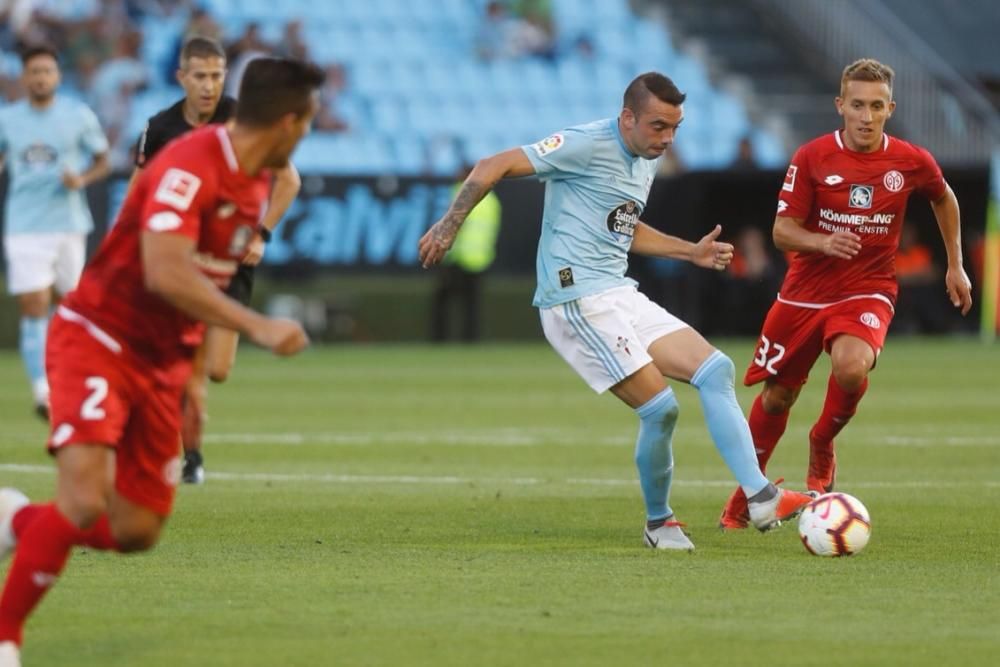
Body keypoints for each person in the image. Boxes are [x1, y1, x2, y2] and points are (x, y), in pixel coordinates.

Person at [0, 57, 323, 666]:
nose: (308, 132)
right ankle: (5, 637)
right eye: (307, 122)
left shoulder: (259, 179)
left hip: (161, 360)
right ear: (287, 122)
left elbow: (207, 270)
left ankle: (17, 521)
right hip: (98, 336)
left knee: (136, 530)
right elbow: (166, 270)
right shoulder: (189, 165)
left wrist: (192, 373)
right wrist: (256, 324)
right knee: (84, 498)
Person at [419, 72, 814, 551]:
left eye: (675, 128)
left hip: (617, 292)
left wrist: (689, 252)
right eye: (658, 126)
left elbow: (622, 225)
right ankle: (659, 523)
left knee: (715, 370)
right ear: (628, 117)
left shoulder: (644, 158)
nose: (667, 139)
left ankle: (762, 497)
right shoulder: (585, 143)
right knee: (661, 409)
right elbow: (491, 164)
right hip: (575, 299)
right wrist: (448, 224)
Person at [718, 58, 973, 530]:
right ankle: (744, 494)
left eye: (876, 106)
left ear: (890, 109)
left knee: (852, 366)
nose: (866, 116)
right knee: (777, 397)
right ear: (840, 106)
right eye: (857, 105)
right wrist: (822, 242)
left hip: (868, 289)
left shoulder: (911, 161)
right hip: (803, 294)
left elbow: (944, 196)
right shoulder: (812, 156)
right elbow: (781, 232)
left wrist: (955, 264)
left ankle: (822, 439)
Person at [130, 36, 302, 484]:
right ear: (181, 77)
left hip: (229, 260)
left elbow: (289, 181)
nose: (209, 86)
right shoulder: (160, 128)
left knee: (217, 370)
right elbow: (138, 194)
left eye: (217, 76)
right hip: (180, 261)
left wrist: (262, 232)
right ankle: (189, 459)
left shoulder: (244, 121)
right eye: (201, 76)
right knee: (185, 365)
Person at [0, 44, 110, 419]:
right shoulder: (8, 120)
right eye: (34, 72)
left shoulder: (77, 115)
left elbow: (103, 160)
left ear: (58, 77)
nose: (41, 78)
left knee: (70, 307)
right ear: (24, 77)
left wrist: (81, 179)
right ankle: (42, 391)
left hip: (68, 223)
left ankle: (71, 381)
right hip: (24, 224)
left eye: (47, 71)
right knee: (33, 305)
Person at [430, 165, 502, 342]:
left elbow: (453, 226)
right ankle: (470, 340)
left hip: (458, 257)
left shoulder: (460, 194)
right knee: (471, 305)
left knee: (443, 302)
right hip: (480, 258)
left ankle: (439, 340)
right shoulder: (492, 200)